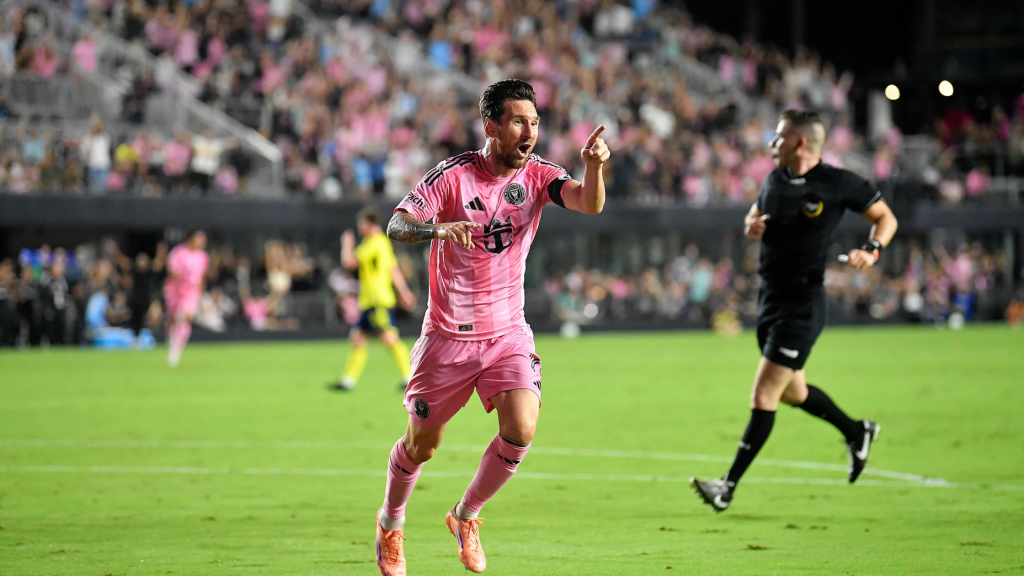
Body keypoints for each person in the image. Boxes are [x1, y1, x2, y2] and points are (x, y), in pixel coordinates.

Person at [373, 79, 610, 576]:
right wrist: (438, 228)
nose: (531, 132)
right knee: (422, 447)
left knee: (522, 426)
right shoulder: (452, 176)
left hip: (507, 333)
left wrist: (593, 164)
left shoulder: (540, 175)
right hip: (447, 338)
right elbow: (397, 225)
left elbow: (589, 203)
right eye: (520, 122)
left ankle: (467, 515)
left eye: (536, 123)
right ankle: (391, 523)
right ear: (492, 126)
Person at [691, 110, 899, 512]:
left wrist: (872, 250)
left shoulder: (838, 182)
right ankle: (857, 431)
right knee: (794, 392)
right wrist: (752, 224)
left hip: (803, 304)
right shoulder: (774, 178)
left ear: (800, 143)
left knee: (764, 392)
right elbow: (754, 212)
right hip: (769, 300)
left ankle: (727, 487)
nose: (772, 143)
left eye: (779, 136)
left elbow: (885, 217)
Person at [330, 207, 417, 391]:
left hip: (377, 300)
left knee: (389, 338)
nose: (360, 228)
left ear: (369, 224)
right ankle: (348, 381)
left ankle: (410, 376)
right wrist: (404, 293)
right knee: (358, 339)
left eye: (361, 224)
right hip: (370, 301)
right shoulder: (382, 243)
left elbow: (349, 263)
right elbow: (393, 270)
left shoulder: (373, 243)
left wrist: (346, 244)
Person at [163, 231, 209, 367]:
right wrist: (183, 280)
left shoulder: (203, 256)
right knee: (173, 318)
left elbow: (203, 277)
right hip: (175, 290)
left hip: (191, 292)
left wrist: (200, 295)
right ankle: (172, 339)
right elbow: (172, 271)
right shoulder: (178, 252)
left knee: (185, 317)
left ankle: (176, 350)